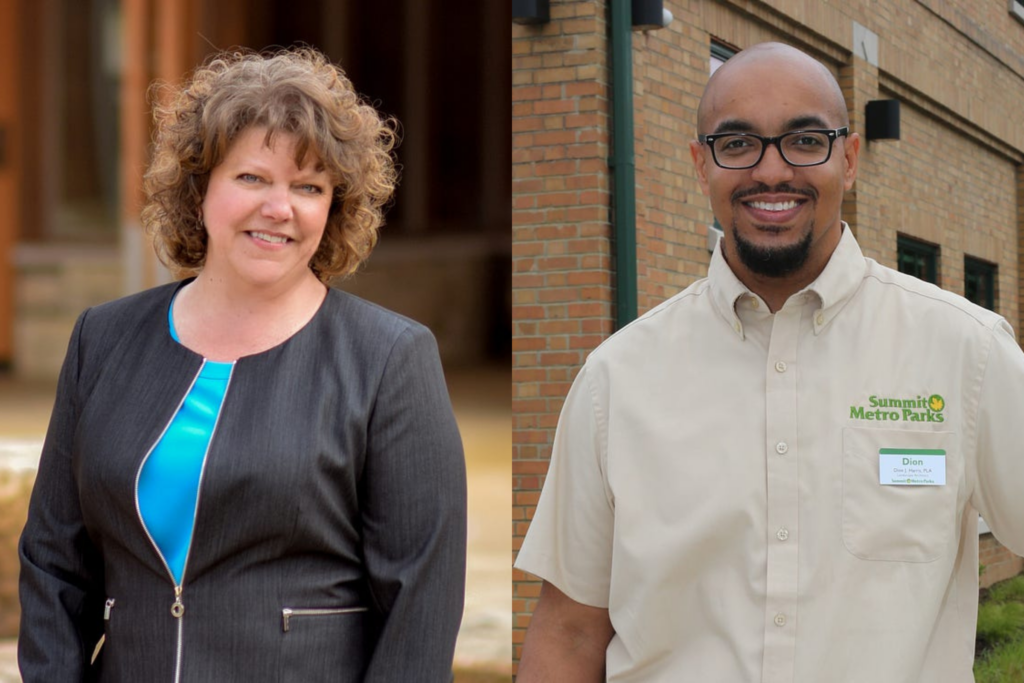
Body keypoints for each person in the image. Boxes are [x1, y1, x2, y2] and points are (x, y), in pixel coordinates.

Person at [514, 42, 1024, 682]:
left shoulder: (966, 354)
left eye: (805, 140)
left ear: (850, 158)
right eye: (737, 144)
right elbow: (568, 633)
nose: (772, 171)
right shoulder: (616, 381)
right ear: (702, 166)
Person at [18, 47, 467, 682]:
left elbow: (420, 605)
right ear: (200, 188)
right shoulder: (104, 337)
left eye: (308, 187)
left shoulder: (389, 359)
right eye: (252, 178)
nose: (279, 208)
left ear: (333, 208)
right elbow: (53, 562)